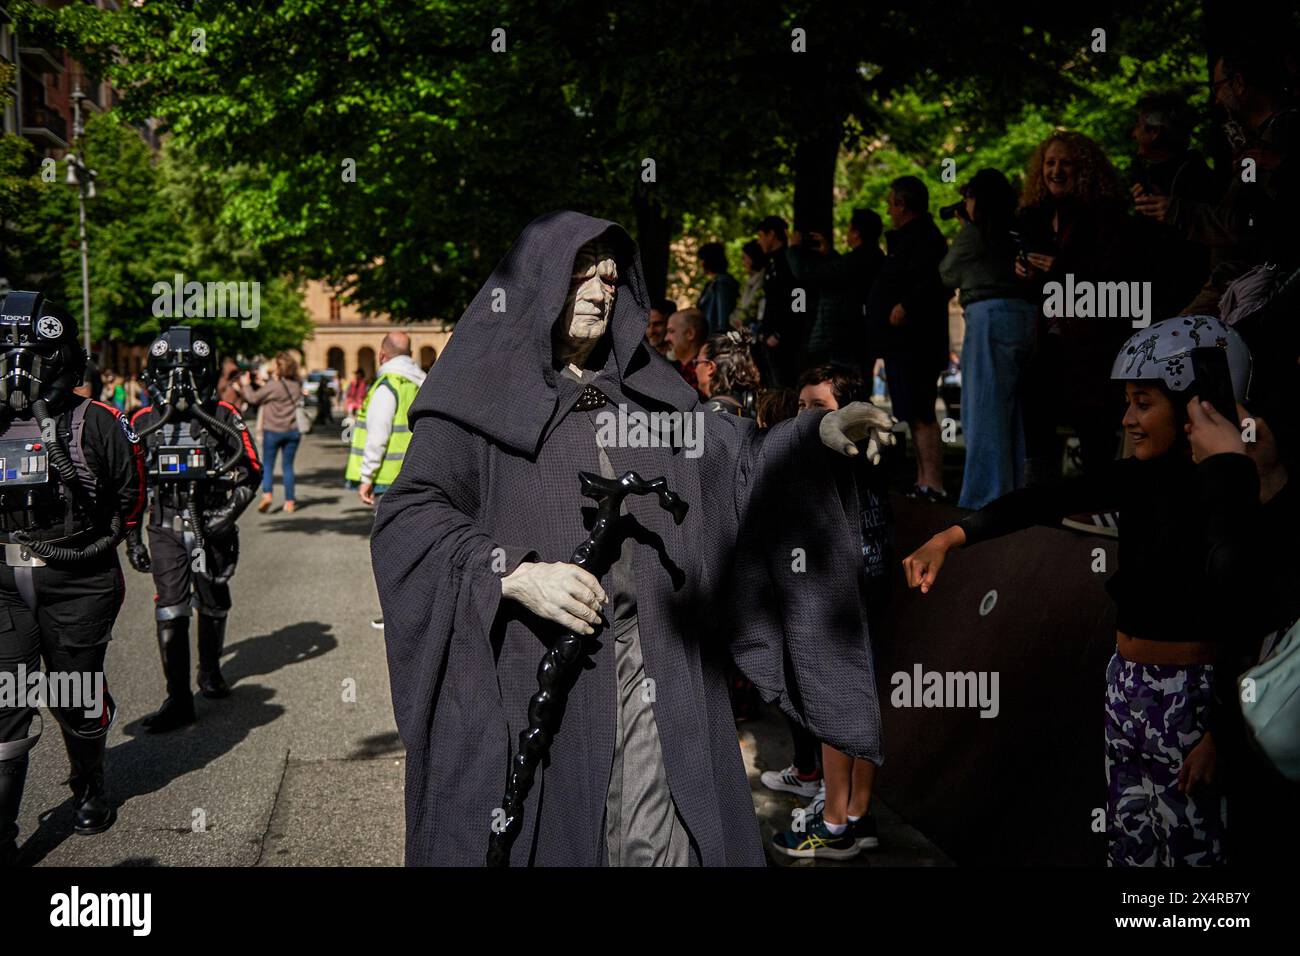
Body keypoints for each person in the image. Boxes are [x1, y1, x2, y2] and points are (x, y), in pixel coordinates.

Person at [370, 211, 896, 866]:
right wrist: (512, 574)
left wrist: (819, 434)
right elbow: (411, 514)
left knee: (659, 839)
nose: (598, 289)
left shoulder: (648, 400)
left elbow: (735, 457)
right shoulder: (478, 399)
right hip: (535, 667)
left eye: (611, 277)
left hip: (653, 661)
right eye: (581, 273)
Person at [904, 315, 1251, 866]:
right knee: (1131, 847)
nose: (1128, 418)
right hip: (1126, 686)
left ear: (1198, 404)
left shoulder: (1229, 489)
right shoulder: (1136, 476)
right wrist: (949, 537)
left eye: (1144, 403)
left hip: (1192, 703)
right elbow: (1039, 501)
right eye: (1128, 402)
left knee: (1193, 859)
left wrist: (1219, 735)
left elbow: (1242, 603)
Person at [0, 291, 145, 865]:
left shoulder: (100, 423)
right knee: (7, 700)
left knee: (72, 692)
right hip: (5, 582)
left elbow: (130, 498)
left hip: (79, 577)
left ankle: (90, 785)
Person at [771, 365, 892, 859]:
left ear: (846, 412)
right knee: (861, 701)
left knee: (835, 706)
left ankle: (834, 823)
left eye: (817, 407)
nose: (804, 417)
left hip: (842, 593)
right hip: (862, 588)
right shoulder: (861, 452)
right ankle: (858, 815)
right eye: (800, 406)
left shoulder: (844, 454)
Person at [126, 328, 262, 732]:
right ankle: (178, 698)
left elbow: (251, 469)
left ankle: (210, 671)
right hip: (166, 523)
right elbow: (129, 482)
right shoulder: (143, 420)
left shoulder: (223, 415)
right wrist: (132, 536)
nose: (178, 384)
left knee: (213, 597)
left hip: (212, 520)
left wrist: (226, 516)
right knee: (170, 606)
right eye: (170, 373)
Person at [1137, 41, 1298, 314]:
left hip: (1252, 287)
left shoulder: (1284, 134)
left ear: (1238, 82)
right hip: (1240, 284)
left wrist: (1177, 211)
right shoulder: (1262, 141)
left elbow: (1253, 226)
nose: (1216, 100)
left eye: (1217, 87)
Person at [1016, 131, 1133, 482]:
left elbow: (1117, 284)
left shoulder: (1106, 216)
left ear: (1084, 169)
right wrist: (1024, 272)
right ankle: (1041, 509)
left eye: (1065, 163)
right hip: (1050, 342)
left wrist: (1061, 269)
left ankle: (1098, 510)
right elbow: (1040, 291)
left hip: (1093, 349)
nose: (1055, 170)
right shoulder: (1038, 216)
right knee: (1036, 420)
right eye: (1050, 163)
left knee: (1094, 430)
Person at [939, 169, 1039, 509]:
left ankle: (983, 500)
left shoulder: (975, 232)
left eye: (969, 196)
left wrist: (965, 227)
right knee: (1010, 415)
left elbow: (947, 273)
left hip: (989, 317)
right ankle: (1007, 494)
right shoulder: (1019, 227)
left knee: (982, 412)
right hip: (1023, 316)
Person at [867, 176, 952, 501]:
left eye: (891, 203)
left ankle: (932, 484)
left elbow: (934, 284)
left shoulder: (925, 239)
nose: (888, 210)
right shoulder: (910, 239)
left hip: (917, 345)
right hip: (905, 346)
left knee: (922, 414)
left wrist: (904, 307)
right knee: (915, 414)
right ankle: (923, 481)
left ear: (902, 204)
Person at [1127, 91, 1217, 318]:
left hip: (1182, 302)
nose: (1134, 134)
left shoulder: (1194, 177)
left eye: (1138, 126)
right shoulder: (1155, 175)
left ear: (1155, 132)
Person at [790, 208, 885, 371]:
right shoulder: (877, 257)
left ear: (856, 233)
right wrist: (830, 254)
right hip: (865, 336)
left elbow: (808, 274)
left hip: (847, 338)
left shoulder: (856, 260)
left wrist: (793, 249)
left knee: (845, 384)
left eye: (849, 229)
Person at [346, 331, 426, 508]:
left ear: (382, 354)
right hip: (420, 475)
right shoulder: (422, 384)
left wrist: (366, 477)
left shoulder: (387, 387)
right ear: (411, 355)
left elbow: (378, 437)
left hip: (388, 480)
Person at [243, 352, 303, 514]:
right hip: (292, 431)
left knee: (268, 465)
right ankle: (290, 502)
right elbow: (278, 391)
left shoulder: (273, 386)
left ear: (278, 368)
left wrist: (246, 384)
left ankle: (267, 494)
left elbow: (253, 398)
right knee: (288, 467)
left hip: (273, 431)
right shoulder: (296, 385)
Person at [755, 215, 802, 386]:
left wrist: (781, 333)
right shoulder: (772, 262)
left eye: (761, 236)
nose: (759, 242)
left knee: (783, 387)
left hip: (783, 341)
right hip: (770, 337)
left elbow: (799, 297)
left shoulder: (787, 261)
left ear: (772, 235)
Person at [696, 331, 760, 418]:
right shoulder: (752, 409)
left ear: (710, 367)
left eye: (697, 363)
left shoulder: (708, 416)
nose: (695, 370)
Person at [697, 243, 740, 335]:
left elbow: (722, 320)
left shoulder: (722, 283)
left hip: (715, 338)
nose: (700, 263)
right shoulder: (713, 283)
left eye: (701, 259)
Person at [663, 307, 709, 394]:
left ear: (690, 334)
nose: (666, 338)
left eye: (671, 331)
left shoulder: (701, 375)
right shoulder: (681, 370)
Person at [729, 241, 767, 333]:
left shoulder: (764, 281)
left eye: (744, 258)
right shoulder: (748, 284)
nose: (743, 262)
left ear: (752, 258)